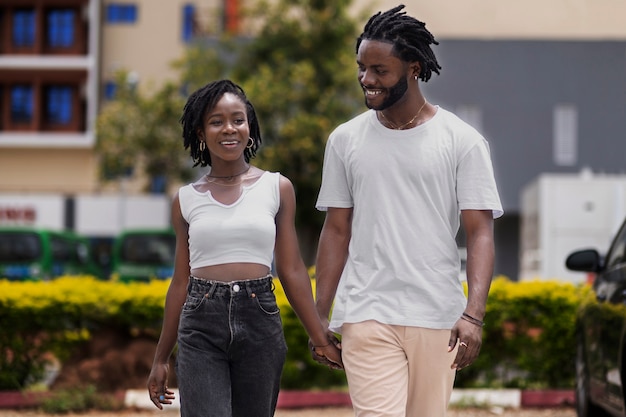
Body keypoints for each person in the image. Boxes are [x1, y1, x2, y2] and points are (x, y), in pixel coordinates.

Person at [312, 5, 503, 417]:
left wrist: (473, 315)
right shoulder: (344, 141)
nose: (367, 79)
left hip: (437, 313)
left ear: (413, 68)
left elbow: (480, 232)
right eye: (362, 67)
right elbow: (336, 230)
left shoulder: (461, 141)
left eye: (380, 70)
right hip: (366, 309)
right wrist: (318, 316)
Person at [146, 79, 342, 417]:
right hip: (200, 324)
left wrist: (320, 336)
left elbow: (292, 269)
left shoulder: (277, 188)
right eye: (216, 121)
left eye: (238, 119)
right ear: (200, 133)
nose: (229, 129)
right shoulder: (185, 199)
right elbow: (181, 280)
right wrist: (161, 358)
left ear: (250, 128)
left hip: (260, 320)